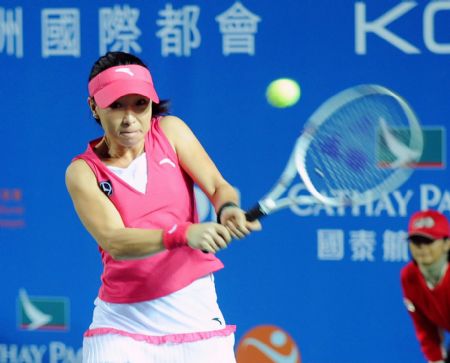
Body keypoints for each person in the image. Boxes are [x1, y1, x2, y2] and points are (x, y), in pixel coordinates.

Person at [65, 51, 261, 363]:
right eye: (116, 105)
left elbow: (216, 186)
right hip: (122, 324)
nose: (130, 117)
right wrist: (182, 234)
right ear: (94, 108)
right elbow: (115, 241)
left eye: (140, 104)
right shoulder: (83, 172)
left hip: (194, 314)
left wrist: (227, 209)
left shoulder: (171, 131)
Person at [400, 209, 450, 363]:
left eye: (429, 241)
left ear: (447, 243)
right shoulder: (409, 277)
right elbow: (424, 328)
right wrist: (436, 360)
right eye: (416, 241)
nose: (422, 248)